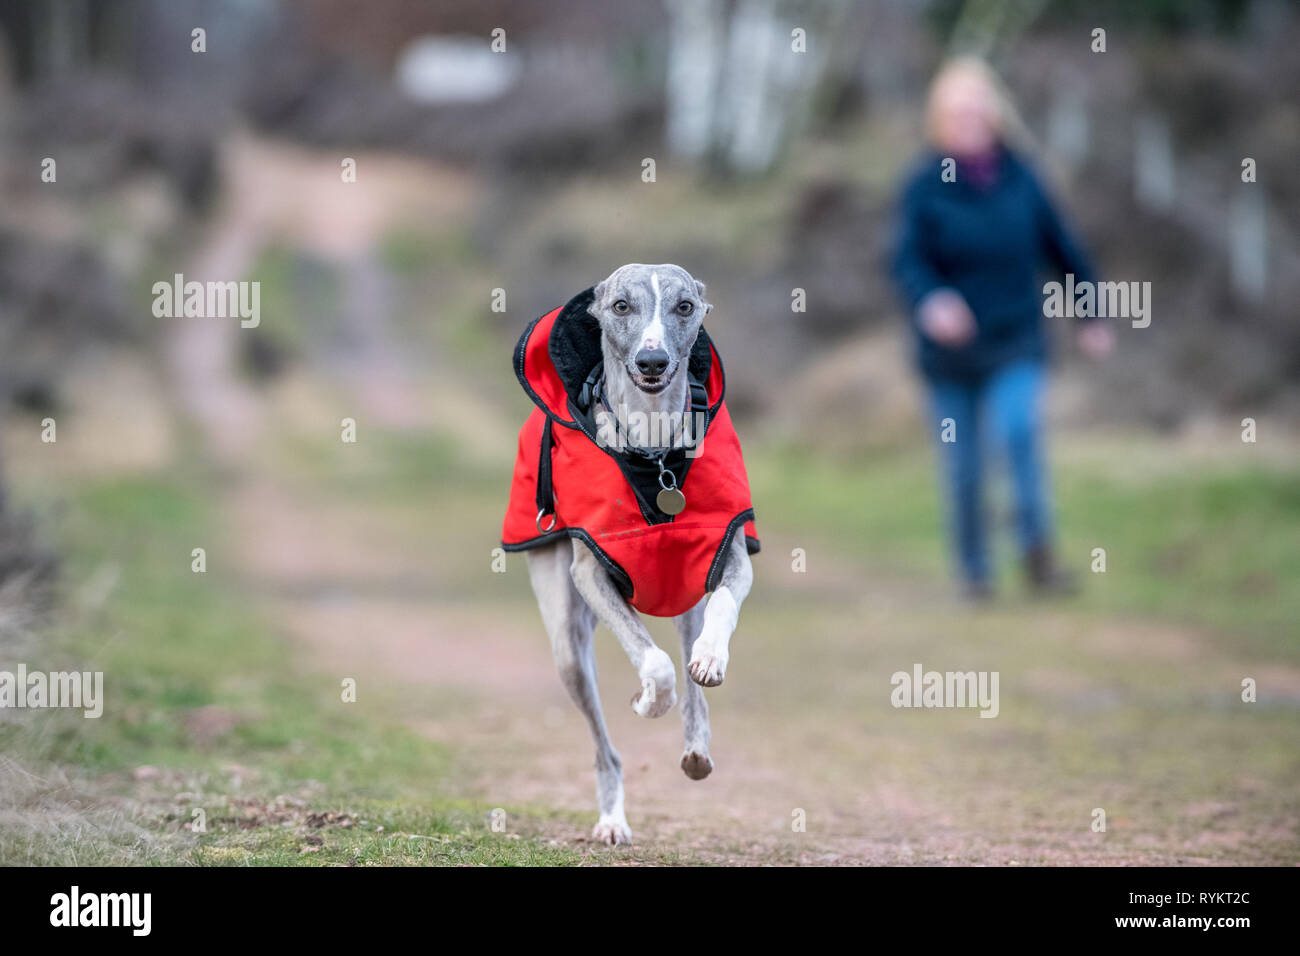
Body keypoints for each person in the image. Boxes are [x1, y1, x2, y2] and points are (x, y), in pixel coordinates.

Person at [890, 58, 1113, 600]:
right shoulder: (925, 183)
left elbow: (1063, 248)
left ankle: (1038, 555)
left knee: (1017, 433)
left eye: (976, 110)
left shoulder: (1022, 176)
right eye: (956, 112)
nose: (968, 121)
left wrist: (1091, 312)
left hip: (1015, 339)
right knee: (964, 466)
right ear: (940, 119)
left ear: (994, 114)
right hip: (950, 354)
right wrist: (933, 300)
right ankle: (974, 573)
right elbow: (906, 259)